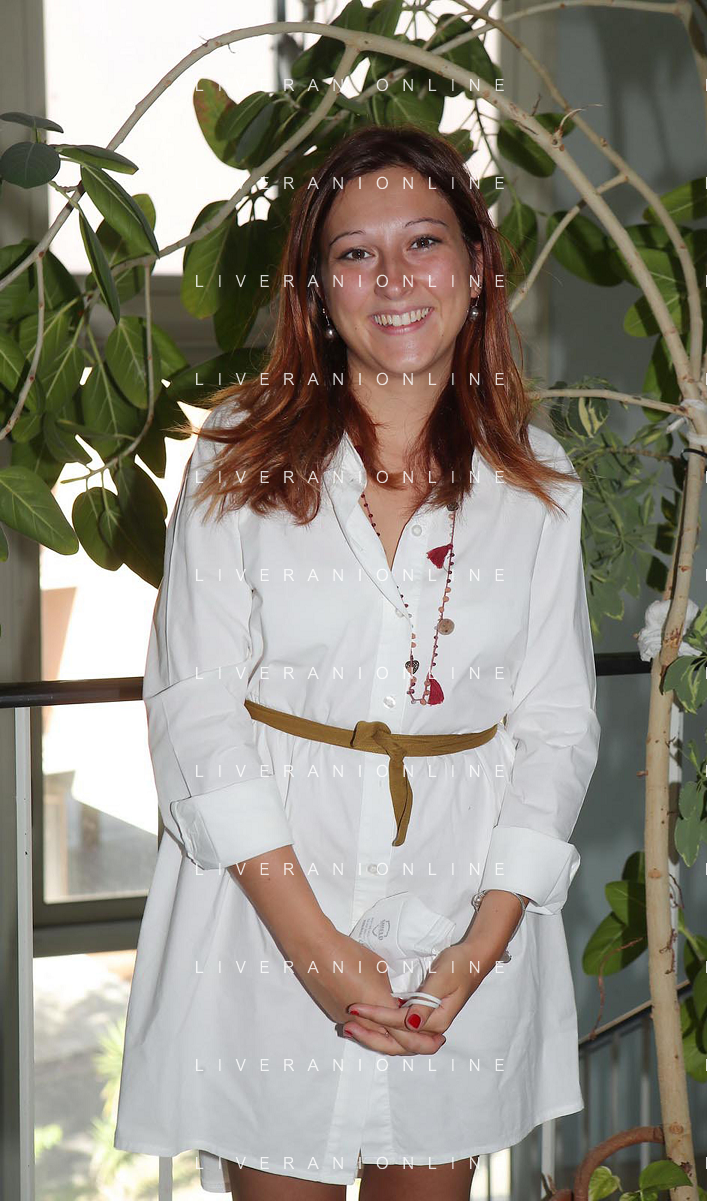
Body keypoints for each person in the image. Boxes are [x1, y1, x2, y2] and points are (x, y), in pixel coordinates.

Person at [113, 124, 601, 1201]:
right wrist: (317, 950)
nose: (392, 278)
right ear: (315, 286)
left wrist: (476, 952)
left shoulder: (538, 480)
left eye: (423, 241)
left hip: (460, 922)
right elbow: (195, 705)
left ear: (475, 266)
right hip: (266, 915)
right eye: (353, 252)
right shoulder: (238, 451)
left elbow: (557, 727)